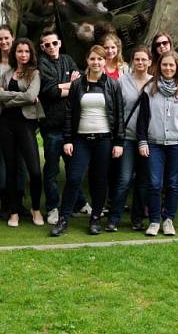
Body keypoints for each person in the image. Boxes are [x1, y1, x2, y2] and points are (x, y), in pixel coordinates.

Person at [50, 46, 125, 236]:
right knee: (74, 178)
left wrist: (118, 142)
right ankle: (63, 219)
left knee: (99, 180)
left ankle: (96, 219)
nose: (96, 62)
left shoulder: (113, 85)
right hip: (82, 139)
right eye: (93, 59)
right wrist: (68, 139)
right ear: (87, 60)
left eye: (100, 59)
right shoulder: (77, 85)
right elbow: (69, 113)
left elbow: (119, 115)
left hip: (104, 140)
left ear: (105, 61)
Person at [136, 50, 178, 236]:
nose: (168, 68)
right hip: (154, 143)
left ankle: (169, 219)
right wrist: (142, 141)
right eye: (164, 65)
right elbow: (143, 118)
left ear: (177, 67)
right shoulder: (149, 89)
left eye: (171, 65)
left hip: (177, 143)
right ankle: (154, 220)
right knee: (154, 183)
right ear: (159, 66)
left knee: (172, 183)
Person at [0, 38, 45, 227]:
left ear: (31, 54)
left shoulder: (34, 74)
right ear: (14, 53)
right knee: (11, 170)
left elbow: (32, 96)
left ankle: (36, 209)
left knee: (34, 170)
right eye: (19, 51)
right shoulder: (7, 74)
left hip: (26, 125)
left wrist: (8, 99)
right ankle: (14, 211)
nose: (23, 55)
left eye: (26, 51)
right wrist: (18, 97)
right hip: (5, 124)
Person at [37, 27, 85, 226]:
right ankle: (52, 207)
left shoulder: (67, 60)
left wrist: (61, 87)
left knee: (74, 168)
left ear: (59, 43)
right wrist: (68, 85)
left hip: (71, 127)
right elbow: (48, 91)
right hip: (51, 126)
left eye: (54, 43)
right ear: (42, 47)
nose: (51, 47)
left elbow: (79, 84)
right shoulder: (42, 63)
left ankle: (78, 203)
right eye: (47, 45)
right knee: (52, 170)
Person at [106, 45, 152, 231]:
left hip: (149, 140)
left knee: (143, 181)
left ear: (150, 61)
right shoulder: (122, 82)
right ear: (132, 61)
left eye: (144, 59)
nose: (140, 63)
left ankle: (137, 218)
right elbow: (115, 110)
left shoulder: (155, 82)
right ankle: (114, 217)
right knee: (124, 179)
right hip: (127, 137)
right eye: (137, 59)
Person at [0, 24, 26, 219]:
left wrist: (6, 96)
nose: (3, 42)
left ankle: (19, 202)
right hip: (1, 116)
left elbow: (29, 91)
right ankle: (6, 203)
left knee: (21, 160)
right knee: (3, 159)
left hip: (23, 117)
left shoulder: (22, 59)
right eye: (0, 39)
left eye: (7, 38)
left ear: (13, 38)